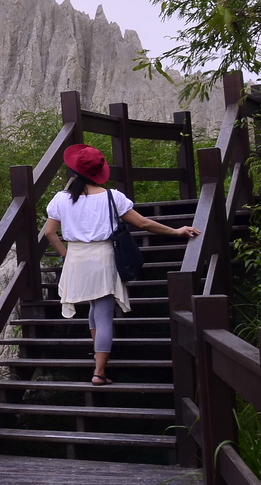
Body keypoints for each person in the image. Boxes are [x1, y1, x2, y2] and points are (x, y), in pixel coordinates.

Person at [42, 144, 200, 386]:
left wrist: (66, 256)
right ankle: (99, 373)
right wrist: (176, 231)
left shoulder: (61, 200)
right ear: (98, 172)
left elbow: (50, 232)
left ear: (74, 172)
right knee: (104, 314)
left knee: (95, 311)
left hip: (77, 260)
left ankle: (99, 362)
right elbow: (144, 224)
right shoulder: (112, 197)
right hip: (103, 258)